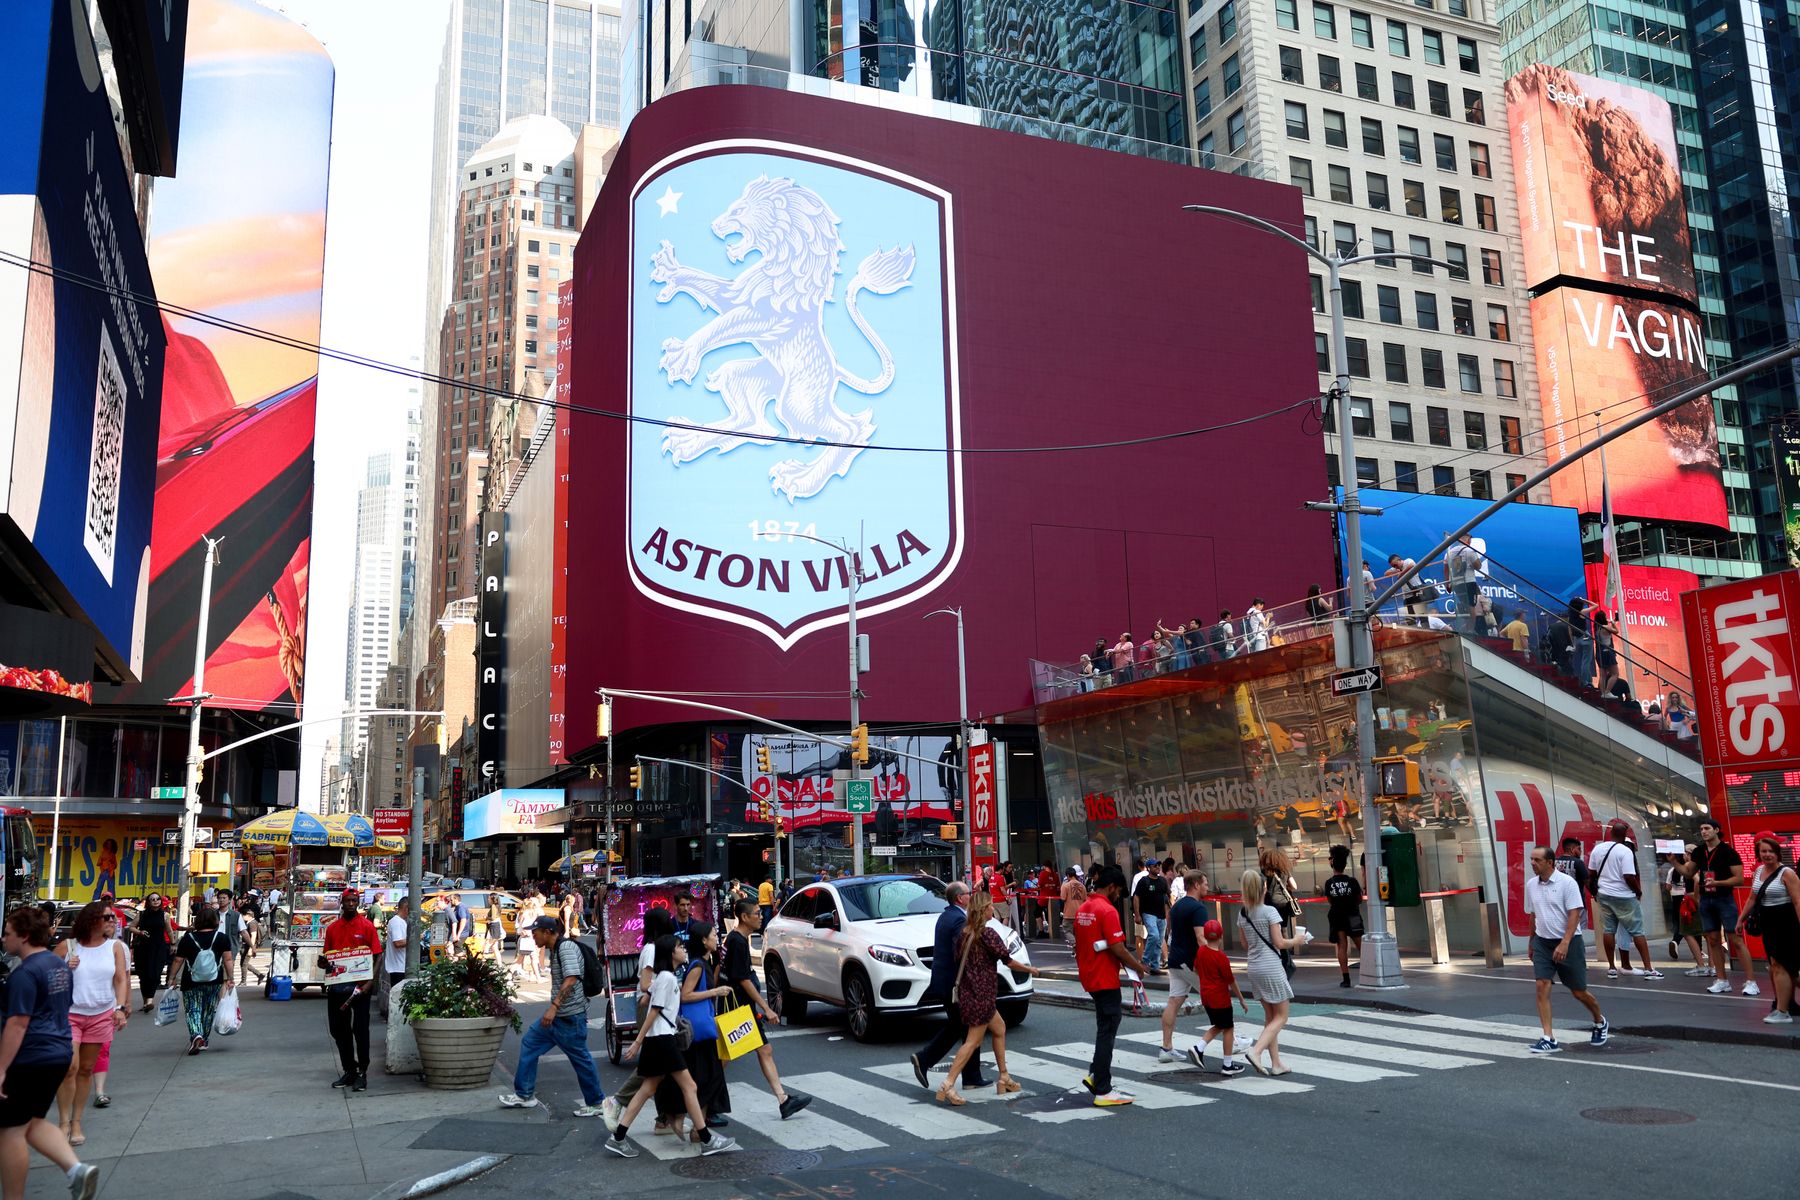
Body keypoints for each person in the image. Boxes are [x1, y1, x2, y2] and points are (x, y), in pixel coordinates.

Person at [607, 936, 738, 1160]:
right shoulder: (667, 978)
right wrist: (638, 1041)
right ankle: (706, 1140)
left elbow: (650, 1004)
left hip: (657, 1040)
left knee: (647, 1089)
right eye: (679, 947)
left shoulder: (665, 978)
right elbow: (654, 1011)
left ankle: (618, 1137)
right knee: (689, 1086)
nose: (684, 949)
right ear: (670, 953)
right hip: (662, 1042)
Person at [0, 907, 99, 1200]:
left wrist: (2, 1068)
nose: (3, 939)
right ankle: (75, 1170)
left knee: (10, 1131)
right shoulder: (59, 966)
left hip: (29, 1056)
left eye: (7, 934)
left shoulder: (24, 973)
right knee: (33, 1123)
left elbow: (18, 1024)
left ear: (24, 936)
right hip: (58, 1052)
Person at [934, 891, 1041, 1105]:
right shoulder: (988, 934)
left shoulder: (963, 933)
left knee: (999, 1028)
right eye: (991, 906)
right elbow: (1007, 960)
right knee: (972, 1041)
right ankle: (948, 1084)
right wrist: (1030, 970)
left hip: (969, 991)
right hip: (982, 993)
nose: (994, 909)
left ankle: (1004, 1076)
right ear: (984, 910)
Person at [714, 901, 810, 1120]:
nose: (760, 916)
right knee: (724, 1058)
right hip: (737, 1009)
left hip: (738, 1007)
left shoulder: (735, 939)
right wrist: (766, 1007)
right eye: (756, 914)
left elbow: (721, 969)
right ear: (744, 917)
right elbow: (743, 980)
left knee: (761, 1050)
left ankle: (783, 1100)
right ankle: (703, 1101)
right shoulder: (737, 942)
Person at [499, 917, 605, 1115]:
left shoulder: (565, 949)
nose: (533, 936)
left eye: (535, 932)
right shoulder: (557, 948)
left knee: (580, 1058)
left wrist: (554, 1007)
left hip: (569, 1016)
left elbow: (572, 978)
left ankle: (597, 1102)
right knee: (530, 1042)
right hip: (560, 1017)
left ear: (547, 932)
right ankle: (524, 1095)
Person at [54, 904, 127, 1149]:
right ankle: (63, 1122)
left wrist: (120, 1008)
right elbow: (45, 976)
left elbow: (120, 978)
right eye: (107, 916)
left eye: (113, 917)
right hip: (70, 1014)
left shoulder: (114, 947)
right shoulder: (69, 946)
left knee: (85, 1069)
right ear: (92, 919)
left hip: (100, 1015)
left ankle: (76, 1122)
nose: (112, 920)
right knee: (70, 1067)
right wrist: (65, 968)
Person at [1073, 866, 1147, 1107]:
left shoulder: (1084, 908)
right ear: (1112, 887)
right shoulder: (1107, 910)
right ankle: (1103, 1088)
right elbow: (1118, 947)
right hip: (1105, 977)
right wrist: (1139, 966)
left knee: (1103, 1026)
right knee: (1108, 1030)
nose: (1119, 896)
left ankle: (1096, 1075)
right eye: (1119, 891)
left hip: (1090, 975)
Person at [1524, 845, 1609, 1052]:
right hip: (1543, 942)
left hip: (1569, 942)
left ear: (1550, 862)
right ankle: (1548, 1037)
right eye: (1531, 859)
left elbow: (1574, 914)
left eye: (1537, 860)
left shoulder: (1567, 883)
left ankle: (1599, 1021)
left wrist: (1565, 942)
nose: (1532, 863)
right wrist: (1531, 942)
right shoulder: (1531, 885)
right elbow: (1533, 914)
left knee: (1579, 992)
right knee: (1541, 985)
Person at [909, 882, 992, 1092]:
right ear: (959, 899)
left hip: (944, 981)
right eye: (968, 893)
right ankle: (925, 1058)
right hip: (955, 984)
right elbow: (963, 951)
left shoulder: (946, 915)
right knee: (969, 1026)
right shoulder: (958, 919)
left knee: (962, 1026)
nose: (971, 896)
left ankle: (970, 1076)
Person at [1239, 869, 1308, 1076]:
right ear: (1264, 888)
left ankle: (1276, 1063)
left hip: (1253, 966)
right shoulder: (1270, 912)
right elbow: (1279, 943)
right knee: (1281, 1016)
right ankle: (1256, 1051)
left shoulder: (1242, 913)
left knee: (1270, 1017)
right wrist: (1297, 941)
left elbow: (1244, 944)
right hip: (1271, 966)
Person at [1678, 817, 1757, 996]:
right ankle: (1721, 980)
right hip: (1706, 899)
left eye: (1706, 828)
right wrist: (1675, 862)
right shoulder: (1699, 851)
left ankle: (1751, 981)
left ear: (1716, 830)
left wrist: (1718, 882)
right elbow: (1689, 872)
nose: (1704, 832)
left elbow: (1739, 878)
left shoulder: (1728, 852)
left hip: (1724, 899)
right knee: (1712, 939)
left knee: (1735, 939)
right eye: (1701, 829)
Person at [1587, 820, 1663, 980]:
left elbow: (1591, 873)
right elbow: (1628, 876)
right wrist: (1638, 891)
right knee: (1637, 931)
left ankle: (1612, 968)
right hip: (1624, 896)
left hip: (1604, 895)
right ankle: (1648, 968)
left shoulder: (1598, 849)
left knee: (1608, 930)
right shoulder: (1625, 851)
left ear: (1611, 833)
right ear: (1625, 835)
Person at [321, 891, 380, 1090]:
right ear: (342, 903)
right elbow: (327, 959)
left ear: (358, 903)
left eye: (354, 901)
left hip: (360, 989)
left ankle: (363, 1072)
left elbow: (378, 955)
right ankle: (349, 1070)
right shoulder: (332, 928)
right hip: (337, 989)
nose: (351, 904)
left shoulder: (367, 926)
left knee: (361, 1031)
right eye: (348, 901)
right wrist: (323, 963)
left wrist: (370, 983)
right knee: (338, 1030)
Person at [678, 922, 734, 1128]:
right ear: (703, 940)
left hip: (705, 1026)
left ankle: (703, 1120)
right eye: (713, 935)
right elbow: (686, 995)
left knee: (710, 1073)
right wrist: (715, 992)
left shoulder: (706, 961)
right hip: (699, 1029)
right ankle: (698, 1127)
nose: (716, 938)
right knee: (708, 1075)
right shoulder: (698, 965)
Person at [1739, 833, 1799, 1023]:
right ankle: (1786, 1006)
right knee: (1777, 967)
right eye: (1763, 851)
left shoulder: (1787, 873)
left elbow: (1798, 902)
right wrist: (1741, 919)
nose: (1767, 854)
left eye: (1771, 851)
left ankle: (1782, 1012)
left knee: (1782, 966)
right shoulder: (1758, 871)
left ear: (1778, 853)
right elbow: (1752, 898)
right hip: (1769, 923)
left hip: (1786, 922)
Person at [1156, 872, 1211, 1061]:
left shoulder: (1177, 905)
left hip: (1175, 960)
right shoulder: (1198, 908)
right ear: (1195, 884)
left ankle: (1166, 1047)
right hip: (1191, 962)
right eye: (1205, 883)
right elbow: (1201, 938)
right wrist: (1213, 959)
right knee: (1217, 998)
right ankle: (1233, 1041)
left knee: (1174, 1002)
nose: (1207, 886)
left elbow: (1169, 932)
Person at [167, 906, 233, 1056]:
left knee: (192, 1009)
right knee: (209, 1009)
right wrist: (230, 978)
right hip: (214, 980)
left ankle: (196, 1034)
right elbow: (228, 959)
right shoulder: (222, 938)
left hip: (190, 981)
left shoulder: (187, 938)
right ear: (215, 921)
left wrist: (172, 978)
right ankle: (204, 1039)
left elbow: (178, 960)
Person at [1186, 919, 1249, 1075]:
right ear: (1221, 937)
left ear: (1205, 936)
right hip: (1220, 997)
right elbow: (1231, 981)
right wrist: (1241, 998)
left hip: (1206, 996)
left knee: (1219, 1025)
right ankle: (1227, 1064)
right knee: (1228, 1027)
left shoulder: (1201, 951)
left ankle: (1199, 1048)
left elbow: (1195, 969)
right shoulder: (1221, 957)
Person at [1323, 845, 1365, 989]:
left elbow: (1330, 900)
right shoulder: (1352, 881)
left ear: (1332, 863)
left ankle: (1346, 979)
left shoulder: (1329, 883)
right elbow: (1359, 899)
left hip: (1337, 916)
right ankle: (1368, 974)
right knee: (1361, 945)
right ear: (1345, 864)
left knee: (1342, 946)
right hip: (1353, 915)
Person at [127, 892, 171, 1011]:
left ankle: (150, 1000)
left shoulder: (165, 915)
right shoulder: (141, 914)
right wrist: (140, 932)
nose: (156, 901)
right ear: (148, 902)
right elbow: (131, 927)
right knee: (143, 975)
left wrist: (173, 944)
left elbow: (170, 930)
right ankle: (145, 1002)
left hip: (159, 948)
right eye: (153, 899)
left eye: (158, 899)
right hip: (143, 948)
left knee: (155, 974)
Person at [1132, 860, 1171, 975]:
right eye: (1155, 865)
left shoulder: (1162, 881)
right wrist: (1137, 914)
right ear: (1148, 868)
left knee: (1159, 940)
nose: (1158, 867)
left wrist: (1169, 908)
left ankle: (1154, 966)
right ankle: (1145, 961)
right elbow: (1136, 897)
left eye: (1159, 865)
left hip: (1161, 914)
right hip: (1148, 913)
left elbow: (1167, 895)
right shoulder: (1144, 881)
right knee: (1154, 935)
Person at [384, 898, 411, 1001]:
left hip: (401, 966)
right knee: (399, 999)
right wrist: (414, 939)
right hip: (398, 968)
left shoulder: (400, 922)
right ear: (406, 908)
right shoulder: (396, 922)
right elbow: (398, 942)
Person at [1060, 867, 1087, 947]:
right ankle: (1077, 950)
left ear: (1068, 875)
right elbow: (1085, 899)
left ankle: (1074, 943)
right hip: (1080, 914)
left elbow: (1063, 898)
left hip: (1069, 914)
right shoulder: (1082, 886)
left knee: (1067, 930)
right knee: (1078, 932)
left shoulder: (1066, 886)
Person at [445, 892, 472, 957]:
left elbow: (463, 920)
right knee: (456, 949)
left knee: (457, 948)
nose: (450, 902)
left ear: (455, 899)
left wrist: (458, 934)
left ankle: (466, 961)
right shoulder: (458, 907)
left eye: (451, 900)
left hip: (462, 933)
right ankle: (459, 963)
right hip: (463, 933)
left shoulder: (461, 907)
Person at [483, 892, 508, 964]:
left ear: (492, 899)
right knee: (495, 947)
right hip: (495, 925)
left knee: (488, 945)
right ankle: (499, 964)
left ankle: (484, 961)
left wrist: (486, 917)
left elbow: (493, 918)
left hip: (494, 926)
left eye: (489, 898)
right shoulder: (497, 906)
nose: (488, 899)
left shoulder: (493, 906)